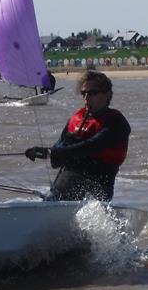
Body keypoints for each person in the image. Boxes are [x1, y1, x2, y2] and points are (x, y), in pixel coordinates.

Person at [25, 70, 129, 201]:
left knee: (70, 180)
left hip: (98, 189)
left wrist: (52, 152)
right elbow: (57, 157)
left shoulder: (116, 122)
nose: (87, 97)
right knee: (65, 180)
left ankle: (52, 204)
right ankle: (50, 205)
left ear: (107, 95)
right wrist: (46, 151)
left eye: (93, 93)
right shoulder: (77, 119)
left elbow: (91, 146)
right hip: (67, 185)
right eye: (84, 93)